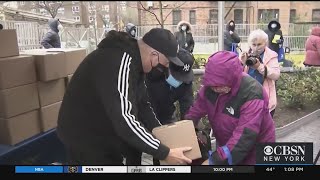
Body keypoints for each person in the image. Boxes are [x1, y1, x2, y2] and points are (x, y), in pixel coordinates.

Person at [57, 28, 193, 165]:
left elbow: (143, 105)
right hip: (85, 135)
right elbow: (125, 118)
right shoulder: (120, 62)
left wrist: (162, 135)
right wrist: (164, 153)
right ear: (154, 54)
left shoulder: (135, 63)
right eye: (165, 63)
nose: (164, 68)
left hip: (104, 131)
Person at [184, 51, 276, 165]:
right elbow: (195, 111)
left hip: (256, 151)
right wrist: (185, 129)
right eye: (214, 85)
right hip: (227, 145)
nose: (217, 89)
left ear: (233, 77)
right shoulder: (210, 88)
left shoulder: (252, 94)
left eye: (221, 85)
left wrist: (215, 161)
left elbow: (245, 136)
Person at [124, 48, 195, 165]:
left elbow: (187, 107)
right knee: (134, 152)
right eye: (177, 76)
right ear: (167, 66)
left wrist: (189, 130)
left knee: (164, 151)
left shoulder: (186, 82)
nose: (179, 81)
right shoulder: (149, 73)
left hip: (165, 116)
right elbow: (140, 103)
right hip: (139, 116)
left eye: (182, 77)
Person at [239, 29, 280, 117]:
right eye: (254, 45)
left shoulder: (271, 55)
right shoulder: (246, 54)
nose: (256, 48)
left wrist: (259, 67)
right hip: (247, 96)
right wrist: (241, 63)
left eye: (259, 44)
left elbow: (276, 75)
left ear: (265, 43)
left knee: (264, 127)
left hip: (264, 96)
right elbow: (237, 75)